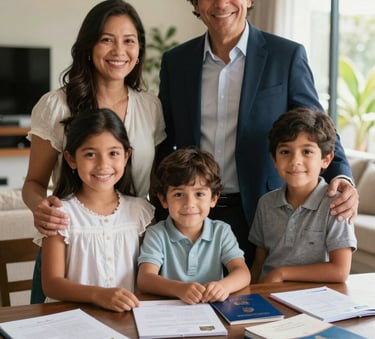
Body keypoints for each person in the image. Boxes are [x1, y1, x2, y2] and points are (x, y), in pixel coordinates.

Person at [156, 0, 358, 268]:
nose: (220, 3)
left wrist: (342, 176)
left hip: (258, 212)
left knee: (254, 302)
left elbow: (319, 126)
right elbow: (164, 138)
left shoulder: (285, 56)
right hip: (190, 211)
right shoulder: (176, 62)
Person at [22, 0, 165, 302]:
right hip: (72, 249)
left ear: (139, 50)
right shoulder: (56, 105)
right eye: (106, 40)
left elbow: (154, 181)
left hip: (131, 248)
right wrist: (43, 210)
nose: (119, 51)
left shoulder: (150, 107)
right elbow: (33, 183)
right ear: (88, 46)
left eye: (129, 41)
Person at [33, 108, 154, 311]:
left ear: (126, 156)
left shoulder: (141, 212)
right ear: (71, 159)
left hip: (126, 322)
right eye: (90, 154)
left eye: (113, 153)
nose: (103, 165)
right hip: (71, 322)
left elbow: (149, 273)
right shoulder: (59, 213)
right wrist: (98, 294)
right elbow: (51, 284)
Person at [249, 108, 357, 284]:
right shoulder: (266, 203)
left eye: (307, 152)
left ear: (326, 159)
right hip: (268, 295)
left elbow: (340, 270)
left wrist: (281, 273)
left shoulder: (337, 204)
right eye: (285, 152)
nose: (295, 161)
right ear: (274, 159)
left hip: (315, 300)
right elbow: (259, 263)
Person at [137, 148, 251, 304]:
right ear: (164, 200)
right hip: (171, 313)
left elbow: (242, 272)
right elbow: (145, 279)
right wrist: (179, 289)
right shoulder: (157, 234)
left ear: (213, 199)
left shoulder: (222, 231)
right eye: (178, 194)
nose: (189, 204)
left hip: (214, 310)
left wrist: (224, 286)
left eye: (199, 194)